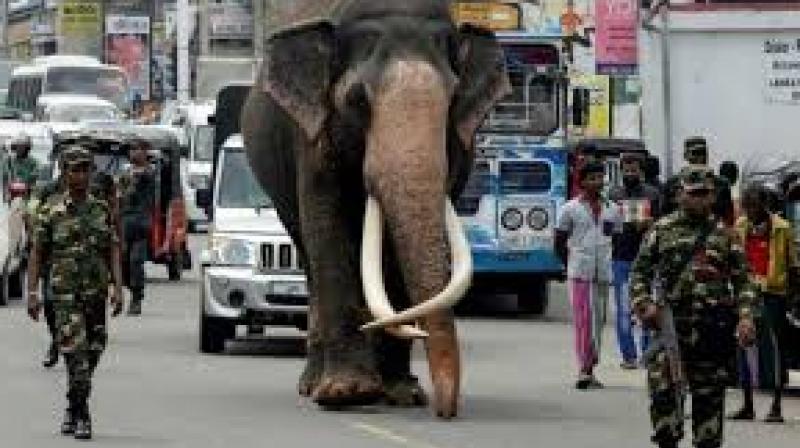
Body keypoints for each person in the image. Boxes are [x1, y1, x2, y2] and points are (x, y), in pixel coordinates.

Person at [630, 166, 758, 448]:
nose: (700, 200)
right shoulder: (661, 230)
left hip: (711, 334)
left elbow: (744, 281)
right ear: (680, 195)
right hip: (669, 331)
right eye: (694, 194)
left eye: (705, 194)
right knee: (665, 413)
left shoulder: (725, 235)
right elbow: (639, 273)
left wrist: (746, 317)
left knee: (708, 423)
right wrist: (644, 304)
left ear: (713, 197)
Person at [26, 146, 124, 440]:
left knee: (95, 349)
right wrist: (32, 292)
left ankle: (72, 403)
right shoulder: (51, 212)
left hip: (95, 294)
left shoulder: (101, 209)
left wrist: (118, 288)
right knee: (76, 356)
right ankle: (82, 415)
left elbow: (113, 249)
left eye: (85, 169)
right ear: (64, 173)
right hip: (65, 296)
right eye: (74, 169)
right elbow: (37, 253)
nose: (80, 175)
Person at [729, 184, 798, 423]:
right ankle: (747, 404)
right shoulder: (739, 226)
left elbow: (793, 266)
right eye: (746, 207)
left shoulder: (782, 228)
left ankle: (776, 406)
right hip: (745, 293)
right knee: (743, 346)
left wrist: (792, 298)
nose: (749, 212)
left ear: (764, 206)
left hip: (773, 294)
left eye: (753, 207)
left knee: (775, 349)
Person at [556, 161, 620, 389]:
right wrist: (566, 265)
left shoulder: (612, 208)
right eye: (591, 178)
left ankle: (591, 368)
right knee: (584, 321)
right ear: (581, 182)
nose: (597, 182)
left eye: (600, 177)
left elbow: (616, 237)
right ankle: (583, 369)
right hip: (579, 272)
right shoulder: (570, 208)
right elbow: (559, 240)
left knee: (598, 322)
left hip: (602, 272)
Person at [609, 152, 661, 369]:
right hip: (620, 257)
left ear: (641, 171)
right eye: (627, 169)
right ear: (621, 171)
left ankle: (647, 354)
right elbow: (606, 226)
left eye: (634, 169)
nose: (630, 173)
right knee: (623, 309)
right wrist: (617, 225)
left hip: (646, 258)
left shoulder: (653, 193)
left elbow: (661, 224)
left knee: (646, 305)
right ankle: (628, 356)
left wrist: (649, 223)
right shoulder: (613, 194)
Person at [117, 139, 156, 316]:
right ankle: (130, 288)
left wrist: (131, 176)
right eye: (131, 149)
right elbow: (118, 194)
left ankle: (136, 298)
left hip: (141, 223)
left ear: (145, 152)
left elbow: (141, 179)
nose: (133, 153)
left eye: (138, 149)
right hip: (125, 222)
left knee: (135, 261)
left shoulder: (149, 171)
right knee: (122, 262)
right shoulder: (125, 171)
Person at [661, 137, 734, 225]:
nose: (700, 157)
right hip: (679, 232)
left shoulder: (721, 183)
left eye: (703, 152)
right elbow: (665, 213)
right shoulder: (673, 183)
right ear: (686, 155)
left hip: (712, 232)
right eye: (695, 153)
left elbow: (728, 217)